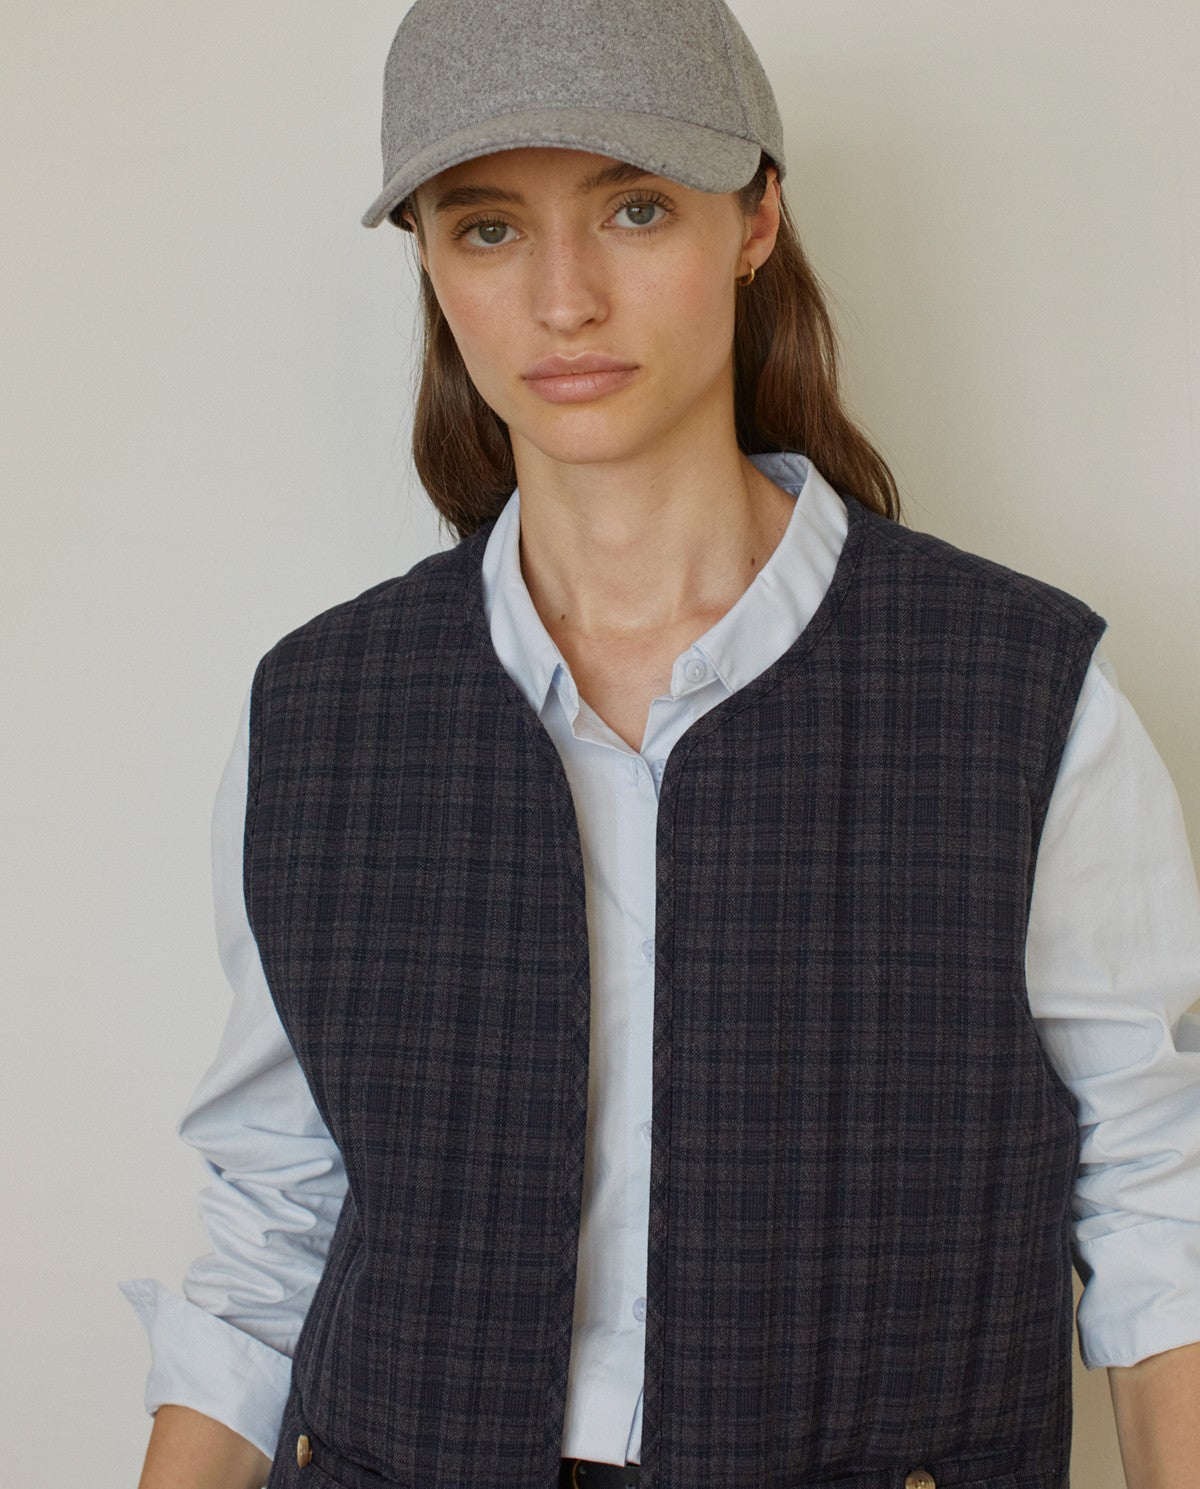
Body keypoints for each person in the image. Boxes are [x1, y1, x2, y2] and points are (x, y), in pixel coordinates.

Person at [124, 2, 1200, 1486]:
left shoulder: (1019, 689)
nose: (564, 300)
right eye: (488, 228)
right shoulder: (319, 713)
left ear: (756, 218)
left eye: (634, 208)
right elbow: (271, 1228)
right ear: (427, 258)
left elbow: (1156, 1204)